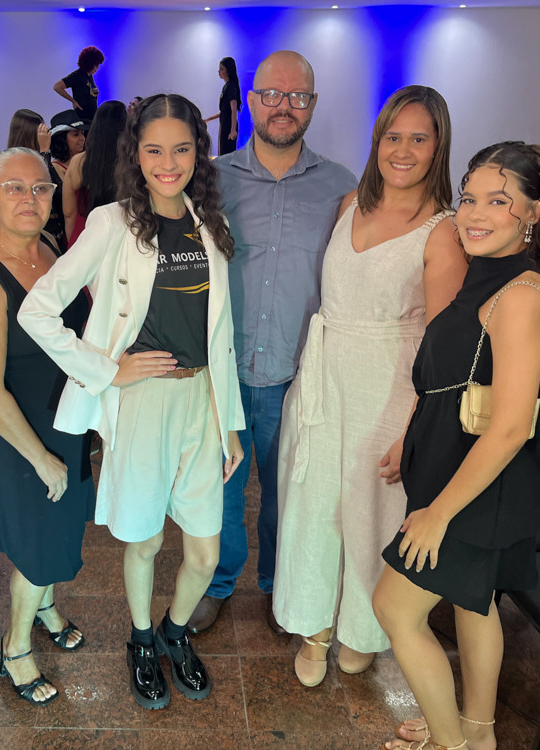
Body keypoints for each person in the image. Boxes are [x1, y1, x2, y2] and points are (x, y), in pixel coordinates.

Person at [19, 94, 245, 711]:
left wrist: (230, 423)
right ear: (135, 154)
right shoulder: (112, 222)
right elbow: (37, 310)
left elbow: (220, 333)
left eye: (181, 149)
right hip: (143, 399)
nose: (168, 163)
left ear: (198, 153)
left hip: (203, 400)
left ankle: (175, 630)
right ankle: (142, 640)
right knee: (144, 540)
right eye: (154, 150)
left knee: (205, 551)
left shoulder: (209, 222)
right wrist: (106, 371)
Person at [372, 141, 540, 750]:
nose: (474, 213)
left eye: (498, 201)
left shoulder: (520, 294)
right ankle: (475, 731)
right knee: (474, 602)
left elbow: (512, 426)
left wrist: (439, 512)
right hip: (461, 468)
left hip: (478, 489)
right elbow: (455, 376)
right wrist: (412, 436)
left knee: (395, 609)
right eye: (469, 199)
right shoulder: (486, 271)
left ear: (534, 213)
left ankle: (450, 744)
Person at [273, 86, 467, 687]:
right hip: (325, 375)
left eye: (419, 139)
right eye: (393, 136)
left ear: (438, 148)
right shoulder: (351, 203)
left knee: (371, 514)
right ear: (377, 141)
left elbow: (442, 346)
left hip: (391, 388)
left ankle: (361, 628)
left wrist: (413, 431)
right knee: (312, 506)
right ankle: (313, 626)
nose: (402, 151)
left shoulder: (443, 232)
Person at [189, 50, 357, 635]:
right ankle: (217, 582)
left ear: (312, 104)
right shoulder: (211, 180)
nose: (284, 106)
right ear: (250, 101)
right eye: (272, 95)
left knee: (291, 495)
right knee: (222, 490)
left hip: (299, 373)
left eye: (298, 96)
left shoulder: (341, 187)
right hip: (225, 371)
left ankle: (281, 585)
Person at [0, 147, 94, 707]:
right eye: (14, 187)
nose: (30, 198)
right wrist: (40, 458)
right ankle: (13, 648)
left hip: (68, 422)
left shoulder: (50, 249)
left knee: (60, 528)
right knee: (38, 544)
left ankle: (45, 607)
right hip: (25, 433)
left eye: (40, 187)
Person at [62, 100, 127, 246]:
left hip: (84, 238)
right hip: (120, 242)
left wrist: (73, 247)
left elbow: (69, 214)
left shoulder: (78, 162)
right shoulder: (131, 163)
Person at [6, 109, 66, 250]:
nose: (44, 137)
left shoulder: (41, 161)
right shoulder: (14, 165)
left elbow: (60, 194)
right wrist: (44, 151)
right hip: (34, 236)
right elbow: (46, 190)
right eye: (40, 134)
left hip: (54, 232)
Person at [54, 46, 105, 122]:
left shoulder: (89, 77)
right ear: (90, 64)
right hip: (82, 118)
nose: (97, 68)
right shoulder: (77, 75)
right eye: (96, 65)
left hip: (92, 117)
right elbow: (57, 87)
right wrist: (73, 101)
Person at [204, 57, 242, 156]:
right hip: (225, 125)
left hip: (229, 126)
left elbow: (233, 110)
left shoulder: (231, 87)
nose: (219, 71)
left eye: (222, 69)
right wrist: (209, 119)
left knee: (227, 155)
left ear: (228, 71)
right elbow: (225, 111)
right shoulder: (226, 87)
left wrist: (233, 130)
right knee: (223, 153)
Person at [49, 110, 88, 184]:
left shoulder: (85, 162)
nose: (82, 138)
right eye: (76, 134)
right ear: (62, 139)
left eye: (82, 133)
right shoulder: (54, 169)